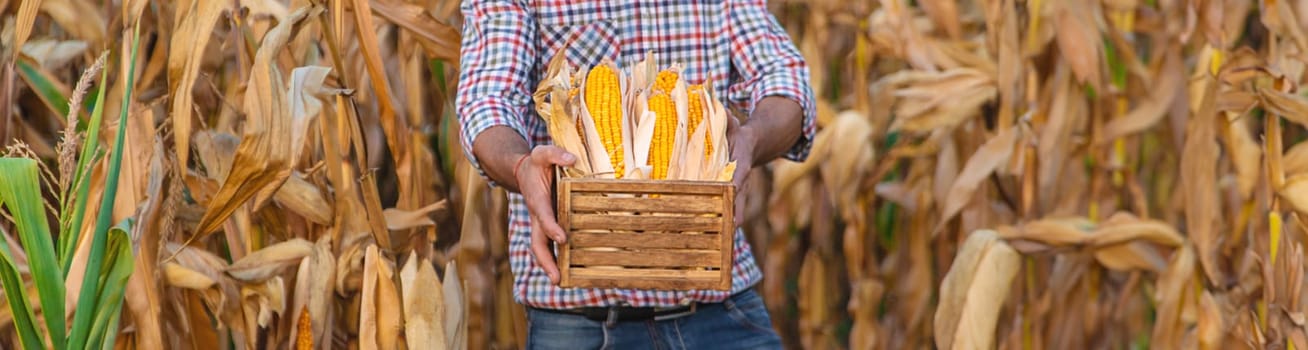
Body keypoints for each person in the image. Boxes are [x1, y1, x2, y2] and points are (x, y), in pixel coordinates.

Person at [456, 1, 815, 348]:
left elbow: (784, 80)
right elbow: (488, 102)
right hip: (582, 322)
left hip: (722, 308)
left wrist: (750, 139)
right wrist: (521, 168)